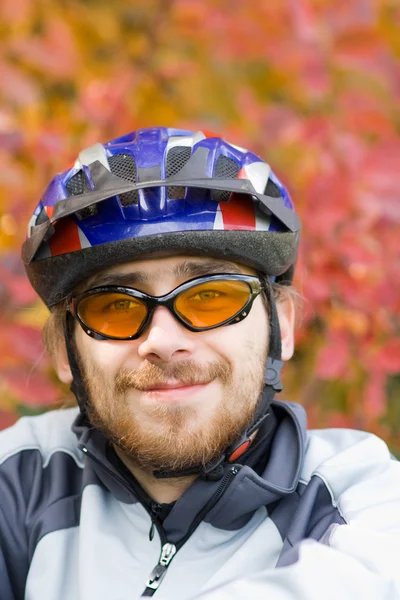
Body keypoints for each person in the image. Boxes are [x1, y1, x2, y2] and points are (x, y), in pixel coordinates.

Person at [1, 127, 399, 600]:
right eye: (114, 306)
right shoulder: (19, 479)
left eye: (211, 297)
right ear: (67, 352)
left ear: (282, 328)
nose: (164, 342)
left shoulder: (364, 504)